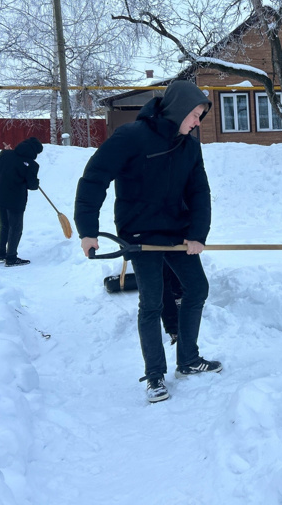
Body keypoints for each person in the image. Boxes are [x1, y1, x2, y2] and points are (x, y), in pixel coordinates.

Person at [74, 80, 220, 403]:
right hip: (139, 233)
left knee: (197, 288)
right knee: (151, 302)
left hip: (175, 232)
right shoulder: (132, 137)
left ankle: (188, 359)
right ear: (179, 109)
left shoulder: (190, 146)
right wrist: (87, 230)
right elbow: (94, 178)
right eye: (195, 114)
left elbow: (199, 191)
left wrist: (197, 234)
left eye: (200, 116)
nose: (198, 122)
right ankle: (155, 375)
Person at [0, 136, 43, 267]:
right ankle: (11, 258)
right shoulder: (32, 165)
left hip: (0, 196)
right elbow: (32, 186)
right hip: (15, 200)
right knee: (16, 228)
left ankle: (1, 253)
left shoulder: (7, 155)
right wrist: (36, 181)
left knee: (4, 225)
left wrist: (3, 153)